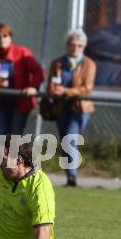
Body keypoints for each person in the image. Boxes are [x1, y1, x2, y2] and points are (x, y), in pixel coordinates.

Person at [48, 29, 96, 187]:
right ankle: (69, 175)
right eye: (72, 44)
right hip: (61, 106)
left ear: (84, 47)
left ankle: (72, 176)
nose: (75, 48)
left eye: (79, 45)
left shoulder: (88, 64)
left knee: (71, 137)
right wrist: (55, 90)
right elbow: (52, 85)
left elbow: (87, 88)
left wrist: (66, 91)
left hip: (80, 107)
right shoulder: (58, 63)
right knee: (64, 140)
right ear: (67, 45)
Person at [0, 23, 44, 136]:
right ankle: (2, 154)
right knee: (0, 137)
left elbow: (38, 71)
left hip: (20, 102)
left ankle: (16, 154)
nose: (2, 39)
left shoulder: (22, 52)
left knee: (15, 137)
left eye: (5, 35)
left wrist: (33, 87)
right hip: (1, 102)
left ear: (10, 37)